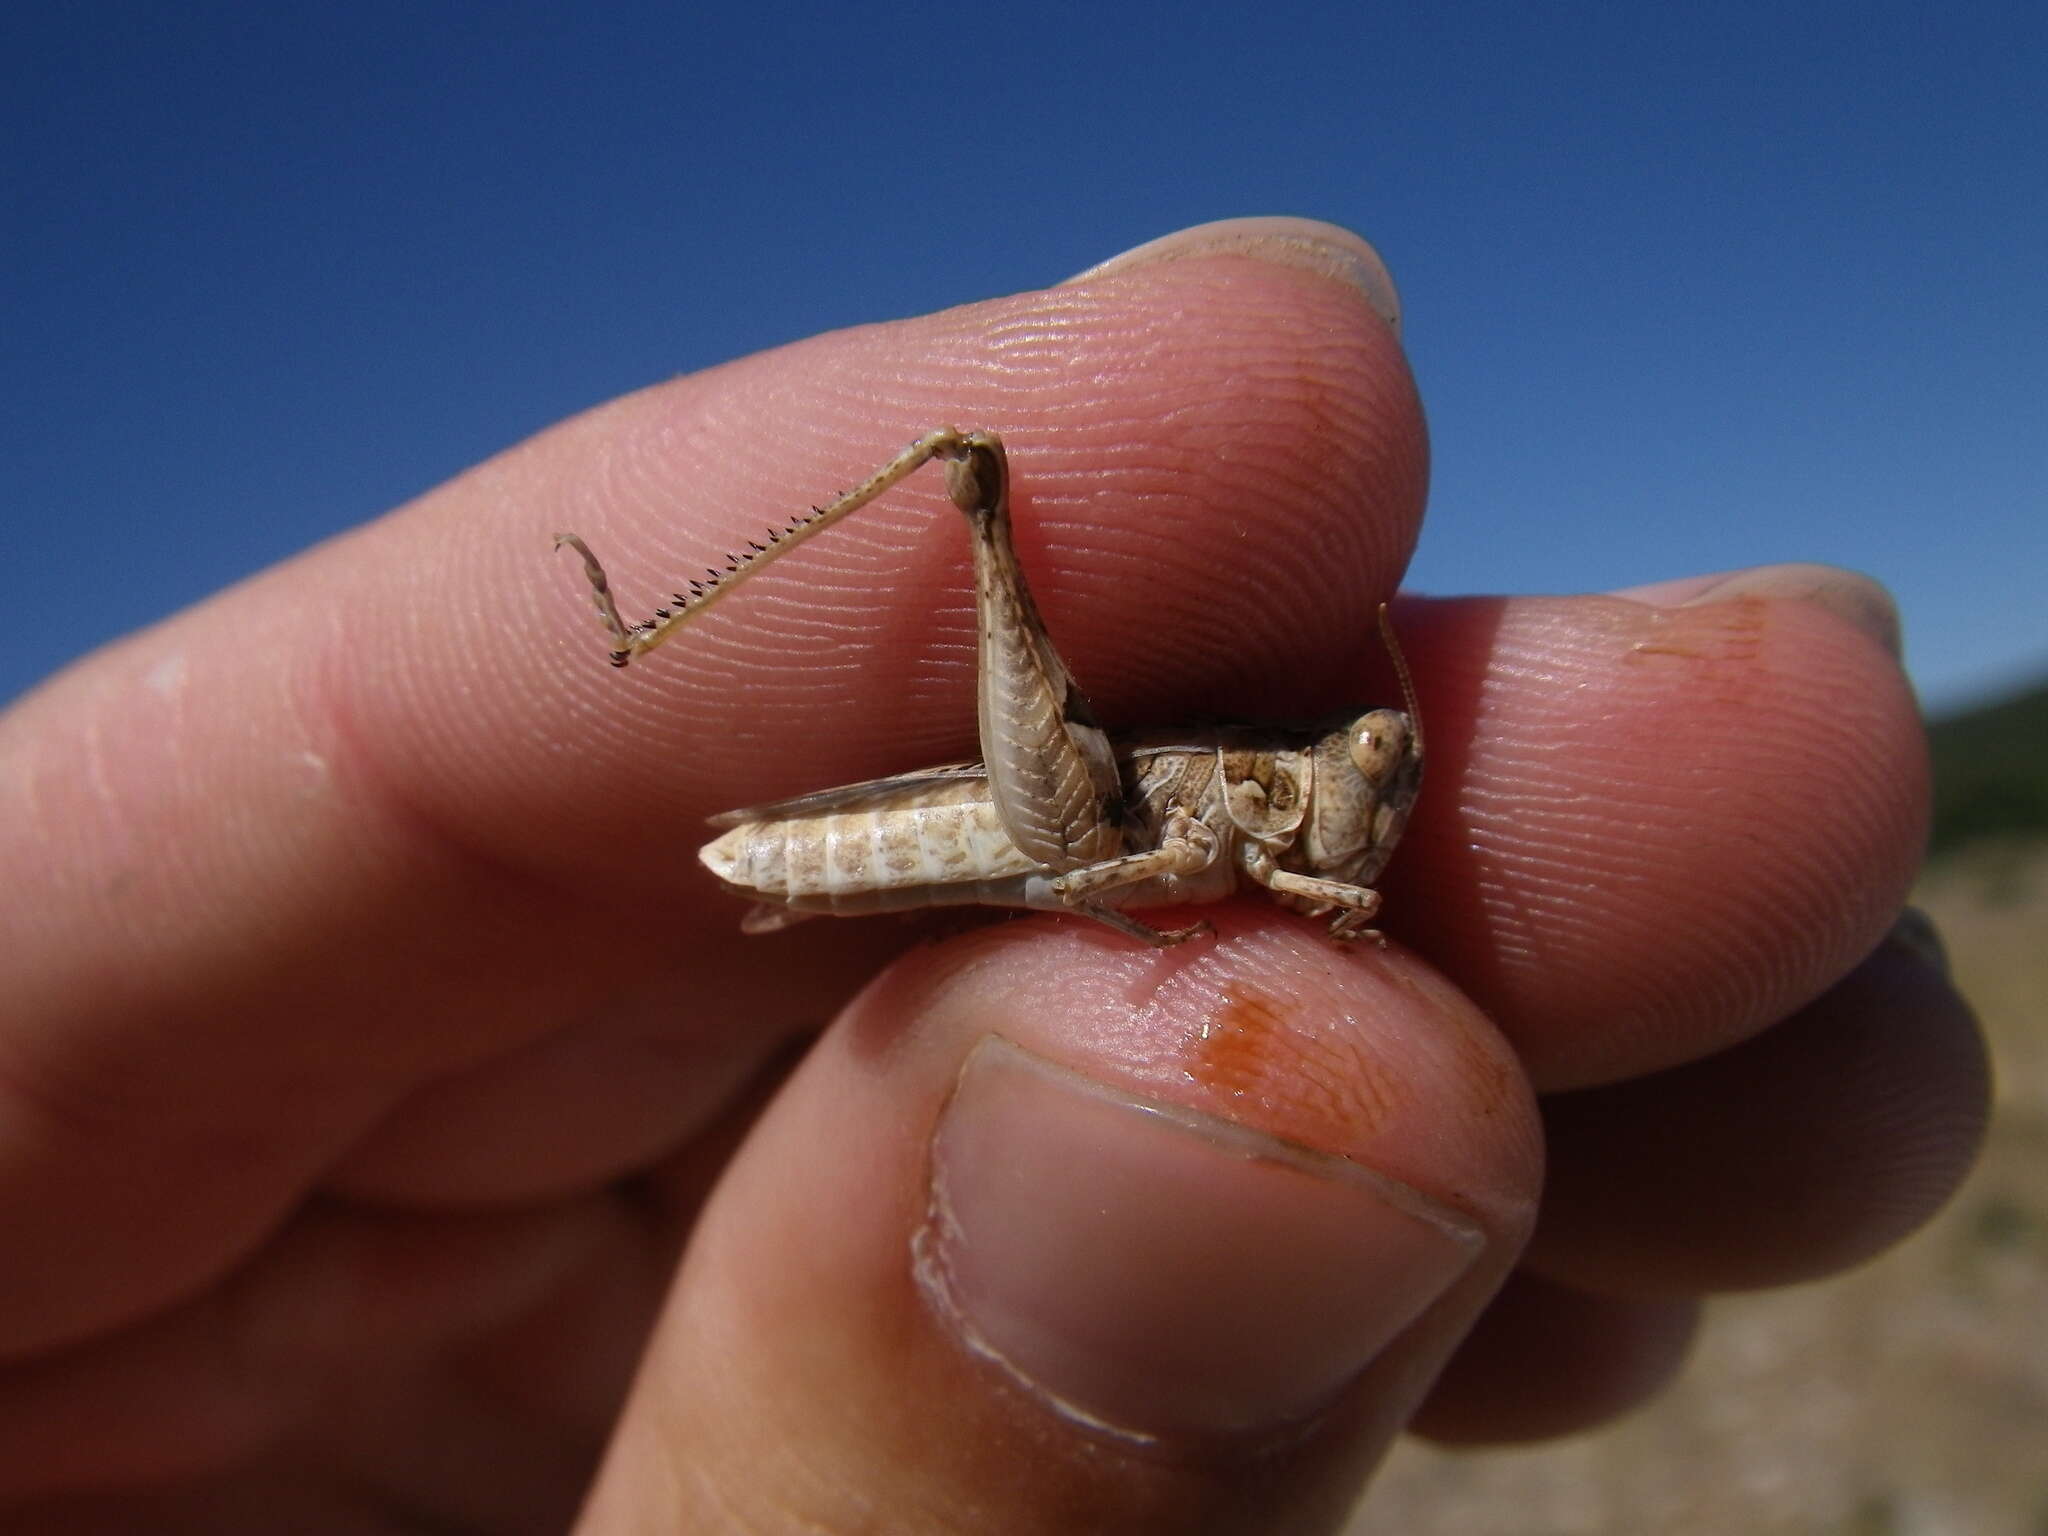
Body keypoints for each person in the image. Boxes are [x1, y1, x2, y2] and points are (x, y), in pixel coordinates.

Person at [0, 219, 1986, 1532]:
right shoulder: (1240, 814)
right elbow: (1135, 859)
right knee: (981, 466)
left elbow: (1188, 889)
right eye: (1368, 767)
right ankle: (640, 636)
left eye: (1378, 774)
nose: (1373, 794)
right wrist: (1244, 870)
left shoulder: (1302, 838)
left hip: (1051, 844)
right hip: (1007, 815)